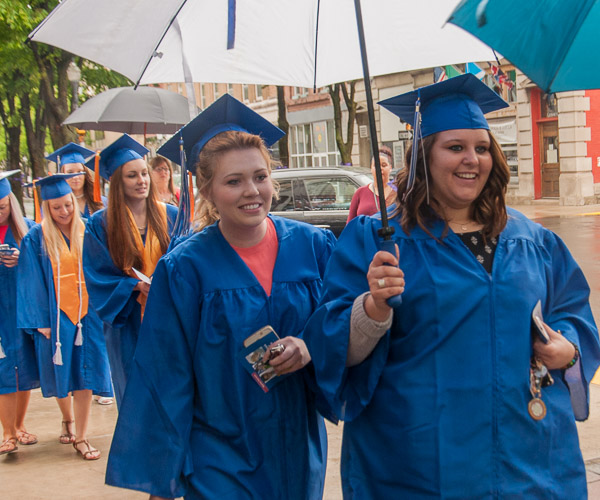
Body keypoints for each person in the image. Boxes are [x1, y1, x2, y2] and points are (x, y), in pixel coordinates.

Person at [303, 74, 600, 498]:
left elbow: (572, 312)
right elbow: (331, 347)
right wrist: (373, 308)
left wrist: (568, 348)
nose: (472, 160)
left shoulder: (532, 240)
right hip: (421, 463)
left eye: (481, 148)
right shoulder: (376, 241)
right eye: (455, 147)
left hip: (528, 454)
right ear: (424, 157)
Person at [105, 94, 336, 499]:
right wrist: (163, 478)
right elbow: (165, 373)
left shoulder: (315, 247)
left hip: (297, 445)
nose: (252, 191)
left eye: (260, 176)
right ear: (206, 189)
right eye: (234, 181)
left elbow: (341, 325)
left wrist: (310, 345)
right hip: (218, 452)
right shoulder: (184, 269)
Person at [17, 173, 113, 461]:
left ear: (73, 200)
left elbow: (102, 269)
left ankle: (81, 437)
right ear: (47, 207)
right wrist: (41, 321)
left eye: (67, 205)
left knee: (85, 373)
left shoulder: (89, 229)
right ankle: (67, 419)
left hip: (89, 314)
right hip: (56, 318)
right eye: (56, 207)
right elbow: (30, 279)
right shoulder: (37, 237)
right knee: (62, 373)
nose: (64, 212)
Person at [82, 134, 178, 407]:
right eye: (132, 176)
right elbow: (97, 273)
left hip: (167, 313)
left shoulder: (170, 215)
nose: (142, 181)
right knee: (135, 389)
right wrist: (135, 286)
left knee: (171, 387)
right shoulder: (101, 223)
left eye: (144, 173)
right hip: (129, 318)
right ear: (115, 182)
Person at [0, 170, 39, 456]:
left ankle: (21, 425)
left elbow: (43, 266)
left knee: (22, 367)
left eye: (2, 206)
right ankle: (8, 432)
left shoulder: (27, 228)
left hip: (21, 308)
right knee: (2, 371)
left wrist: (20, 259)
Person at [46, 142, 107, 218]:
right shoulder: (56, 206)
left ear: (85, 174)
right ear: (62, 175)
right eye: (70, 172)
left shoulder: (102, 202)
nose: (76, 177)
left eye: (80, 172)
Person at [347, 145, 395, 222]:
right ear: (371, 168)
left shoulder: (398, 192)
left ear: (390, 168)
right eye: (376, 165)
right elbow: (350, 225)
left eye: (384, 165)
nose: (380, 169)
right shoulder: (360, 193)